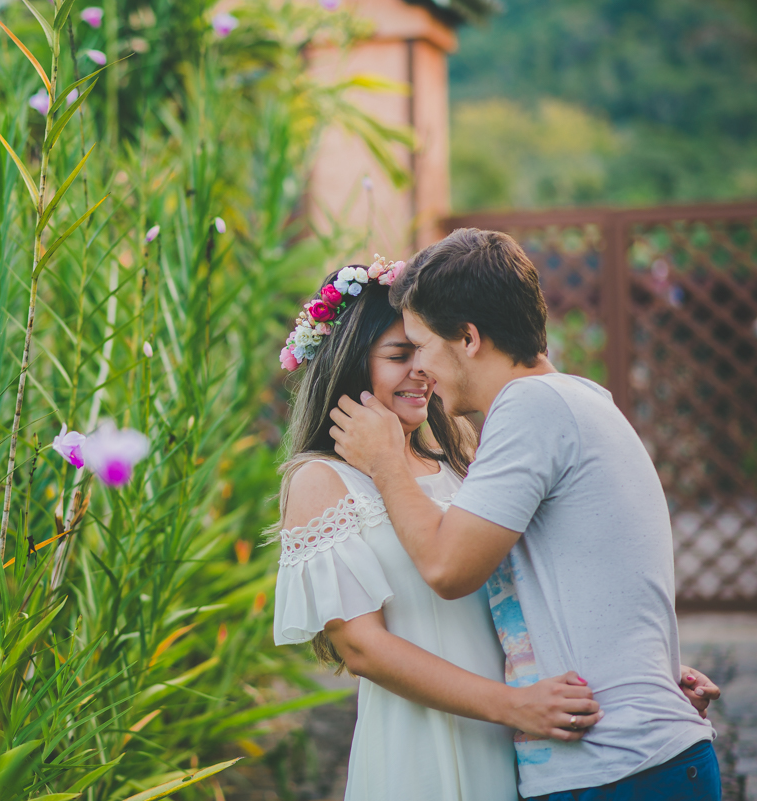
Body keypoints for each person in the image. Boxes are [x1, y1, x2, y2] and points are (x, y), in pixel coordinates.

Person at [327, 229, 721, 801]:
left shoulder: (530, 408)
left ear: (468, 338)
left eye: (423, 345)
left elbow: (448, 569)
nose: (422, 370)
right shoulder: (579, 399)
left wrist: (385, 463)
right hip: (624, 764)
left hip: (616, 772)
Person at [272, 259, 605, 801]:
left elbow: (533, 587)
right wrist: (511, 706)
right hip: (423, 745)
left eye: (423, 351)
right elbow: (362, 648)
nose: (421, 370)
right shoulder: (321, 481)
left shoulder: (460, 460)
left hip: (525, 732)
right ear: (351, 364)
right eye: (398, 356)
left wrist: (636, 675)